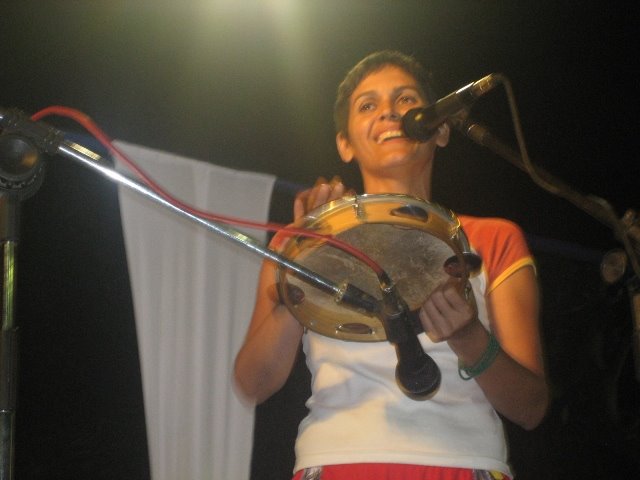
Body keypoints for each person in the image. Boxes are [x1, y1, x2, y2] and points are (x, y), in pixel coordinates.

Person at [234, 50, 549, 480]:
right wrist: (309, 261)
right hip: (337, 463)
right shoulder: (299, 239)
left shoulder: (494, 238)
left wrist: (469, 337)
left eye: (405, 100)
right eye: (368, 106)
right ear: (344, 143)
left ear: (440, 128)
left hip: (465, 464)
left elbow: (531, 407)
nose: (389, 112)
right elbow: (253, 383)